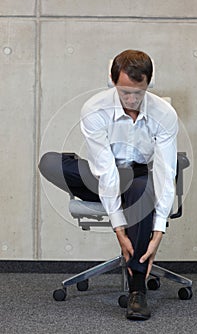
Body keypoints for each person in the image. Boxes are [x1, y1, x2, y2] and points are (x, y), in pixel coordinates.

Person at [38, 49, 178, 320]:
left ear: (148, 84)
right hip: (103, 173)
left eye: (139, 92)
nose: (132, 99)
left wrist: (158, 229)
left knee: (142, 192)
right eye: (125, 92)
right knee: (51, 162)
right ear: (113, 82)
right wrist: (118, 226)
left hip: (139, 176)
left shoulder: (164, 113)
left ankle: (137, 291)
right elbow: (106, 172)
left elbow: (164, 171)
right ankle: (120, 206)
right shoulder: (94, 108)